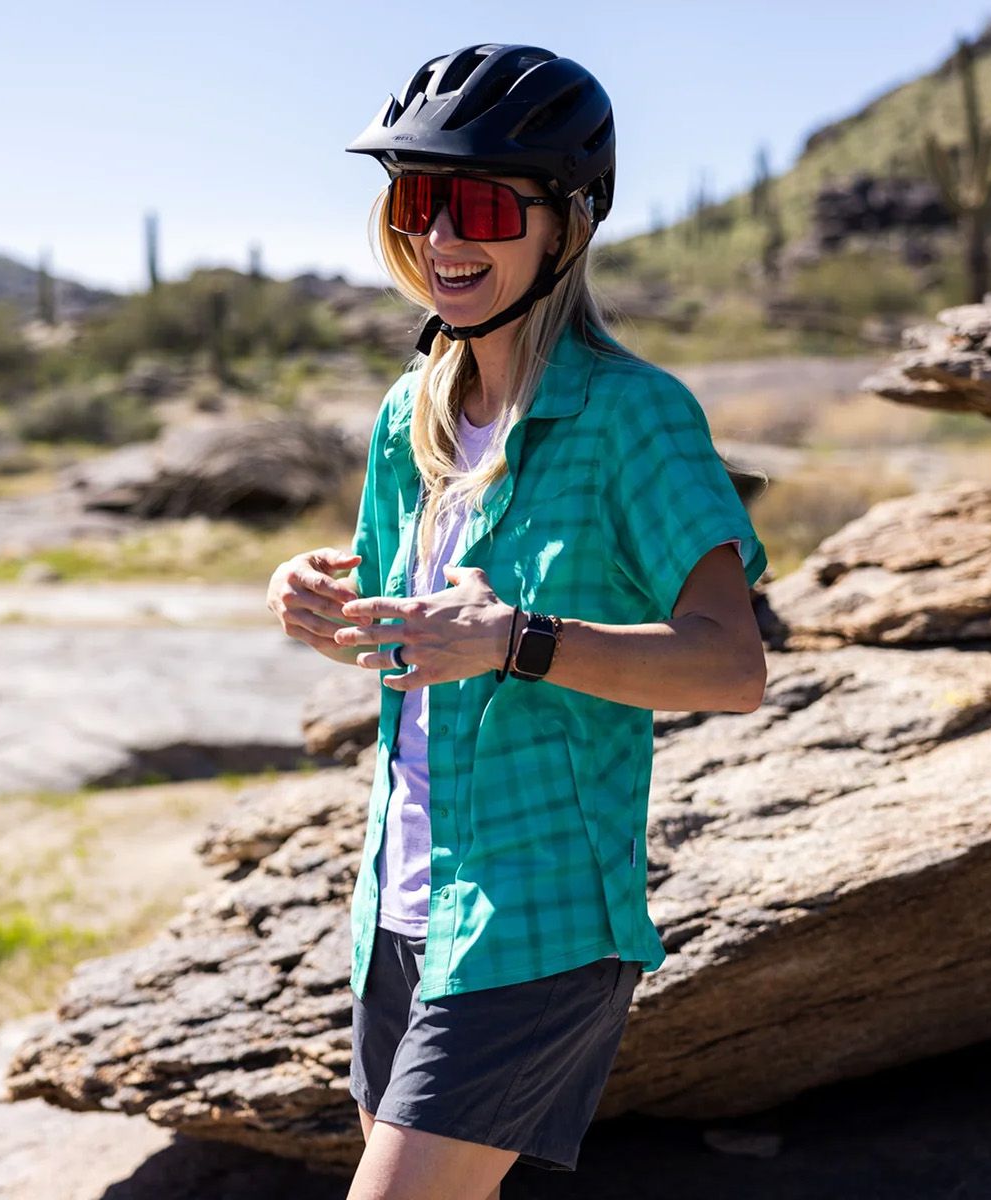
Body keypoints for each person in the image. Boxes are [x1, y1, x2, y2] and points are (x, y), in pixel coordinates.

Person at [264, 42, 770, 1198]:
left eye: (483, 204)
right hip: (394, 910)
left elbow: (731, 668)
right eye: (417, 200)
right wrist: (315, 598)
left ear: (566, 225)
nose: (443, 238)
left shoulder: (631, 415)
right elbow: (398, 635)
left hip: (537, 922)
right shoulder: (411, 417)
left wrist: (516, 641)